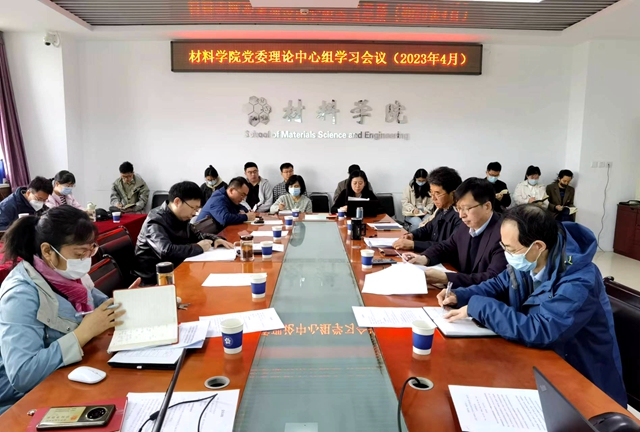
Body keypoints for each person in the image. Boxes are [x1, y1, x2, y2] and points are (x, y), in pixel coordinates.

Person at [439, 205, 627, 407]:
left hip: (585, 384)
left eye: (511, 249)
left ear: (538, 246)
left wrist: (480, 307)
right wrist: (460, 295)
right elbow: (499, 284)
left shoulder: (579, 280)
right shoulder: (530, 258)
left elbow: (542, 330)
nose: (507, 254)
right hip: (541, 365)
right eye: (503, 246)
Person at [0, 206, 137, 414]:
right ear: (48, 251)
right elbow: (22, 375)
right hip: (22, 401)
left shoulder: (69, 276)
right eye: (80, 254)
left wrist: (137, 303)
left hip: (70, 374)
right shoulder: (20, 294)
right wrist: (82, 334)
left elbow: (103, 305)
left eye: (91, 251)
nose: (86, 261)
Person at [404, 178, 508, 288]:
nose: (461, 215)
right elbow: (446, 246)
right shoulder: (467, 225)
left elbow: (493, 279)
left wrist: (446, 278)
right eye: (459, 209)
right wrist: (424, 258)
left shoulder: (504, 234)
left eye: (467, 208)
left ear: (487, 206)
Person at [135, 181, 232, 285]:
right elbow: (165, 251)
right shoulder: (155, 220)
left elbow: (197, 235)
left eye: (197, 209)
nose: (194, 213)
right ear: (177, 202)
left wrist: (215, 239)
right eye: (193, 208)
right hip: (153, 280)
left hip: (177, 271)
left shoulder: (181, 217)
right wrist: (198, 247)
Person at [393, 167, 462, 253]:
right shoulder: (441, 210)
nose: (433, 198)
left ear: (453, 193)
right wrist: (412, 235)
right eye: (431, 193)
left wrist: (414, 245)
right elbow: (428, 229)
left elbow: (448, 246)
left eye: (437, 193)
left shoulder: (460, 215)